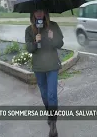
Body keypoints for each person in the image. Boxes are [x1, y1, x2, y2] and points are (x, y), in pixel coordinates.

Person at [25, 9, 64, 137]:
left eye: (41, 11)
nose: (39, 13)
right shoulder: (29, 30)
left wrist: (53, 38)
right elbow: (29, 49)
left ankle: (53, 124)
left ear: (45, 13)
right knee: (44, 94)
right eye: (36, 11)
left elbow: (60, 44)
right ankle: (50, 114)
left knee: (52, 94)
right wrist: (35, 42)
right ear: (33, 14)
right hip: (39, 67)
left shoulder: (53, 26)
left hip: (52, 64)